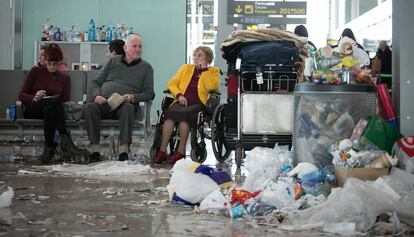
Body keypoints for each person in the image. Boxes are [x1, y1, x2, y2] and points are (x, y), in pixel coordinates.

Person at [85, 35, 155, 162]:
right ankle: (95, 149)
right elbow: (95, 82)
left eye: (140, 47)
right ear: (125, 48)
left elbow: (150, 93)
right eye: (134, 46)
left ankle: (123, 150)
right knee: (90, 107)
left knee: (128, 108)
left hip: (125, 105)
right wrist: (96, 96)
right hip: (105, 102)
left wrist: (133, 97)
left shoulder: (146, 68)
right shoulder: (113, 61)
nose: (138, 49)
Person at [153, 46, 220, 165]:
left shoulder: (213, 71)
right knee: (169, 115)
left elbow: (211, 87)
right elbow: (172, 83)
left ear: (207, 58)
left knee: (185, 117)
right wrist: (179, 95)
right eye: (195, 54)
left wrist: (204, 69)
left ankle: (180, 151)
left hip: (198, 103)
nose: (196, 57)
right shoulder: (186, 68)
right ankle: (162, 151)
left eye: (200, 55)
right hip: (181, 100)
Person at [19, 44, 84, 164]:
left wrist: (52, 100)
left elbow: (65, 100)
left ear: (60, 63)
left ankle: (49, 148)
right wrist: (34, 96)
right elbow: (22, 95)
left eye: (55, 64)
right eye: (49, 63)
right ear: (46, 60)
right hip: (33, 108)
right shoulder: (36, 71)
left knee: (51, 107)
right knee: (54, 101)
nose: (51, 67)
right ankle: (65, 138)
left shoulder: (64, 78)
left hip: (51, 111)